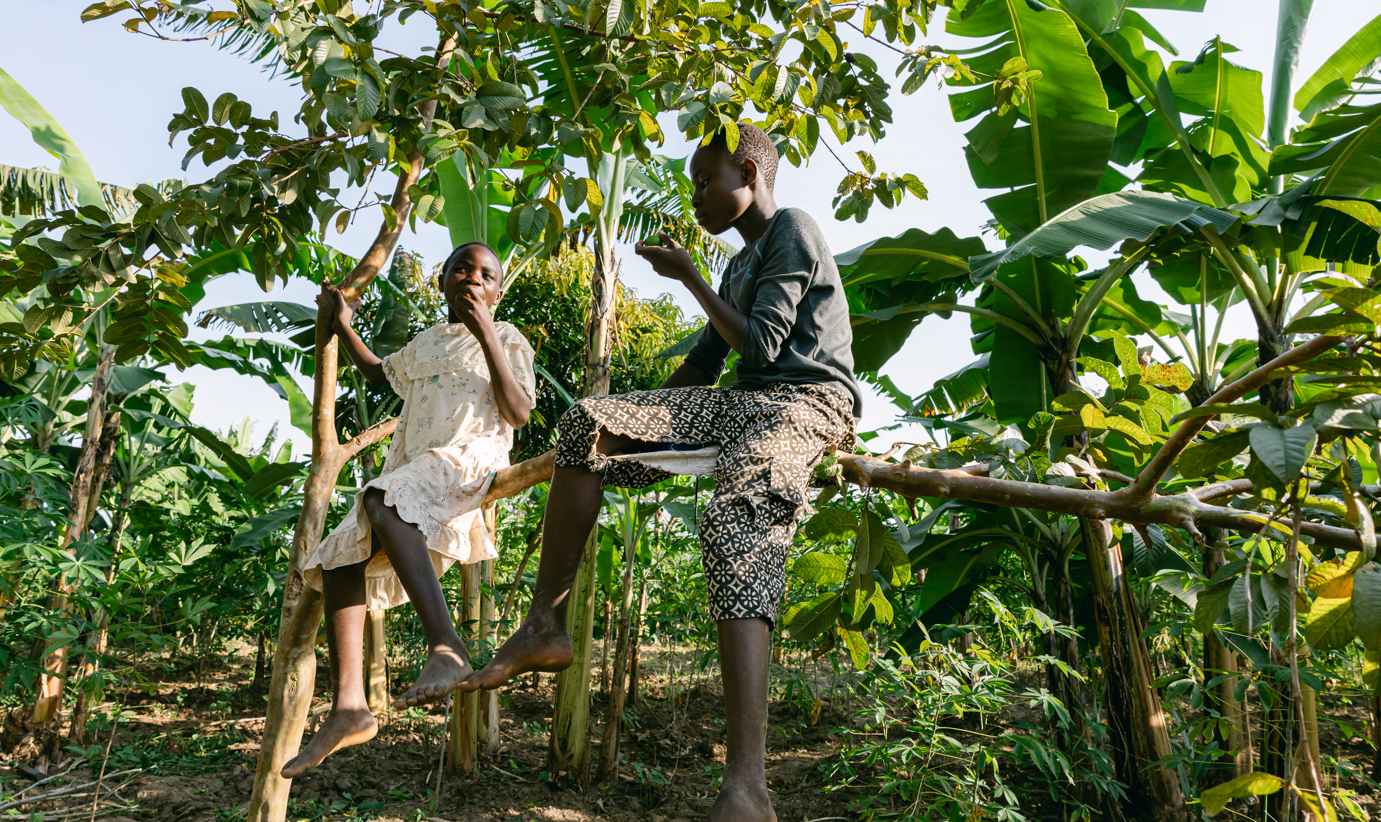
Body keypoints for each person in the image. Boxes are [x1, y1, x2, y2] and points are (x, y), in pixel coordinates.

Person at [460, 123, 860, 821]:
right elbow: (704, 368)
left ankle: (746, 788)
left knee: (734, 525)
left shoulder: (791, 228)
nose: (697, 195)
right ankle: (544, 627)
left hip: (804, 402)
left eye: (706, 180)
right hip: (741, 404)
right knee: (586, 422)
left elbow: (762, 349)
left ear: (747, 172)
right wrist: (635, 422)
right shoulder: (738, 267)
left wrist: (689, 279)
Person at [280, 242, 536, 778]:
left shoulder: (509, 337)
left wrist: (486, 329)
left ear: (498, 291)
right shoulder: (424, 343)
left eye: (485, 274)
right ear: (441, 282)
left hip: (469, 457)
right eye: (460, 269)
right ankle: (349, 705)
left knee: (379, 497)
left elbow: (518, 413)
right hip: (419, 466)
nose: (472, 278)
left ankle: (446, 646)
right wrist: (341, 323)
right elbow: (378, 373)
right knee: (336, 556)